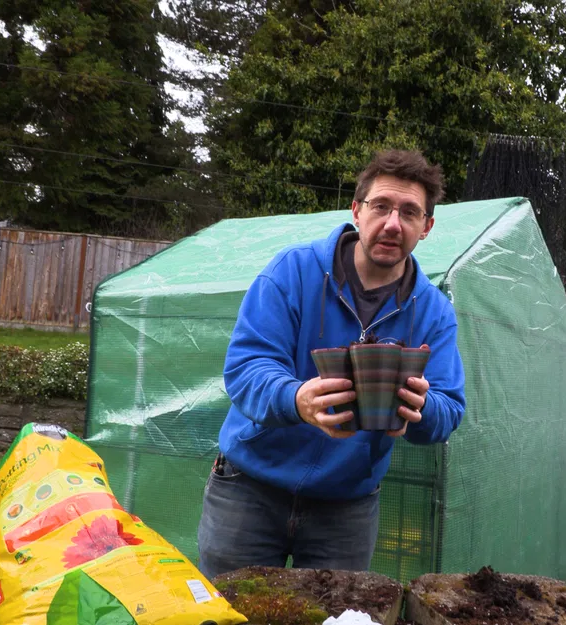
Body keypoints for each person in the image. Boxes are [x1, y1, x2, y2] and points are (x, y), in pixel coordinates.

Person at [197, 149, 466, 577]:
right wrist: (296, 398)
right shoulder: (295, 272)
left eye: (410, 212)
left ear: (427, 227)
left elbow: (449, 407)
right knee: (230, 612)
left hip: (346, 507)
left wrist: (421, 408)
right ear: (356, 211)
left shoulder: (433, 311)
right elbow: (247, 367)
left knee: (335, 620)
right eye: (381, 207)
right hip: (250, 490)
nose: (392, 224)